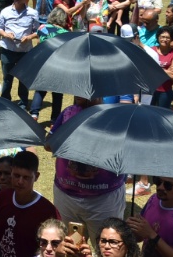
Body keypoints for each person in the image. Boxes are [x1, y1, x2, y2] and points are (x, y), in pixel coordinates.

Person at [49, 98, 126, 240]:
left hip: (103, 201)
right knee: (73, 247)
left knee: (106, 248)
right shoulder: (68, 113)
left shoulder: (115, 118)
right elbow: (49, 145)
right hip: (67, 199)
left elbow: (125, 151)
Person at [0, 150, 58, 257]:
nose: (20, 181)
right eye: (16, 175)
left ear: (36, 177)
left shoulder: (47, 211)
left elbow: (55, 246)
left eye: (26, 177)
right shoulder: (2, 197)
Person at [0, 0, 39, 107]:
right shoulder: (5, 11)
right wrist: (5, 34)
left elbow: (38, 31)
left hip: (25, 51)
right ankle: (5, 101)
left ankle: (23, 102)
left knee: (23, 78)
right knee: (7, 77)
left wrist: (29, 37)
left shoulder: (33, 13)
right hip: (7, 49)